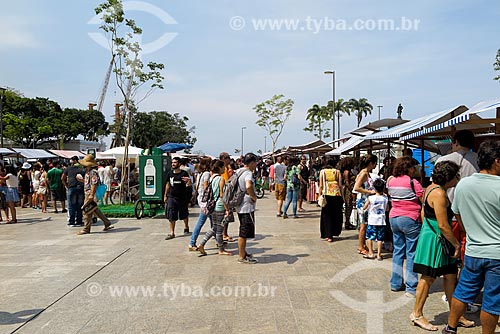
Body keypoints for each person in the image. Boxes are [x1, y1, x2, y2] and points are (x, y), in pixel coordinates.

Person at [443, 141, 500, 334]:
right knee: (492, 300)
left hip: (474, 250)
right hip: (497, 254)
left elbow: (459, 217)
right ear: (497, 161)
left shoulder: (463, 184)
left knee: (463, 292)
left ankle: (450, 328)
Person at [410, 161, 471, 331]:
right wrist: (456, 245)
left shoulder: (431, 188)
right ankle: (417, 314)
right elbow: (444, 225)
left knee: (451, 276)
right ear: (449, 178)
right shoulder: (439, 194)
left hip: (434, 237)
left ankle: (456, 315)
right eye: (456, 176)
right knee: (428, 277)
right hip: (438, 240)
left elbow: (423, 214)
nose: (458, 179)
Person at [387, 156, 424, 297]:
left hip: (394, 218)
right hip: (410, 219)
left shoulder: (391, 181)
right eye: (413, 167)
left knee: (398, 251)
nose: (415, 170)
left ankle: (395, 283)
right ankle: (411, 287)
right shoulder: (413, 182)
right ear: (407, 168)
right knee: (411, 253)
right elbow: (423, 200)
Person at [197, 160, 232, 256]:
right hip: (220, 206)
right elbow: (222, 195)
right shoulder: (220, 179)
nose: (225, 169)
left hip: (212, 206)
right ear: (220, 168)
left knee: (215, 228)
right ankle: (221, 249)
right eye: (223, 167)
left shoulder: (212, 177)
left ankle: (202, 244)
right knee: (219, 229)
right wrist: (227, 208)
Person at [77, 155, 114, 235]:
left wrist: (91, 195)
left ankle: (86, 228)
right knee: (94, 210)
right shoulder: (88, 171)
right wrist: (82, 181)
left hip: (90, 193)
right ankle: (107, 222)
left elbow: (94, 184)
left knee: (87, 211)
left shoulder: (93, 172)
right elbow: (89, 183)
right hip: (89, 192)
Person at [236, 153, 258, 264]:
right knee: (243, 232)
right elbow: (248, 186)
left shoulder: (239, 171)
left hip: (239, 205)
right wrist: (253, 196)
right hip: (246, 206)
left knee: (243, 230)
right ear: (252, 163)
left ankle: (243, 252)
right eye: (255, 163)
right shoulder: (248, 173)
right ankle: (241, 257)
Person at [354, 154, 378, 255]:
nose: (376, 165)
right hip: (363, 201)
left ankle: (363, 244)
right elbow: (357, 187)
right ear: (371, 163)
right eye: (375, 163)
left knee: (364, 224)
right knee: (363, 225)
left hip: (365, 201)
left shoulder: (365, 172)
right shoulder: (364, 173)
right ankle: (360, 246)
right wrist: (370, 192)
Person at [164, 157, 192, 240]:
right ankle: (172, 232)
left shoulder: (184, 173)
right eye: (172, 162)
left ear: (179, 164)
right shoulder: (170, 174)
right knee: (171, 214)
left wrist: (189, 181)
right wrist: (165, 195)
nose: (173, 164)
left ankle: (186, 226)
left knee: (184, 214)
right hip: (172, 197)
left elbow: (189, 185)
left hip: (182, 197)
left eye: (175, 162)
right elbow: (168, 184)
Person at [188, 157, 212, 250]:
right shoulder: (206, 174)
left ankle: (218, 239)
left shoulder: (200, 173)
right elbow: (206, 187)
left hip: (201, 199)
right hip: (205, 202)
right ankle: (192, 242)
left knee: (213, 222)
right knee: (201, 222)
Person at [362, 178, 388, 260]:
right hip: (381, 220)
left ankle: (371, 253)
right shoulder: (385, 198)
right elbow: (387, 209)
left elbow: (364, 207)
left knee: (370, 237)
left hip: (372, 220)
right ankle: (379, 255)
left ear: (374, 188)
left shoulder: (371, 198)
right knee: (380, 238)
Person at [318, 158, 344, 242]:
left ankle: (328, 235)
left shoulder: (323, 172)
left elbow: (321, 185)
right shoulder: (337, 172)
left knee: (327, 215)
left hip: (326, 194)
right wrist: (342, 196)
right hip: (336, 195)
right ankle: (334, 232)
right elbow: (340, 185)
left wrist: (319, 195)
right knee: (336, 215)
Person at [62, 156, 85, 227]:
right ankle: (79, 221)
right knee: (79, 205)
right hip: (80, 188)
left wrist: (67, 186)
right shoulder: (82, 170)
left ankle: (71, 221)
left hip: (71, 188)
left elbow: (62, 178)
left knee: (71, 205)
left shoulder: (68, 169)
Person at [339, 157, 357, 230]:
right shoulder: (347, 172)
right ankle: (347, 222)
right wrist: (352, 190)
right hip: (348, 190)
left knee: (349, 206)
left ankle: (348, 222)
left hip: (350, 189)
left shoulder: (349, 171)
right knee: (348, 206)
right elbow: (346, 182)